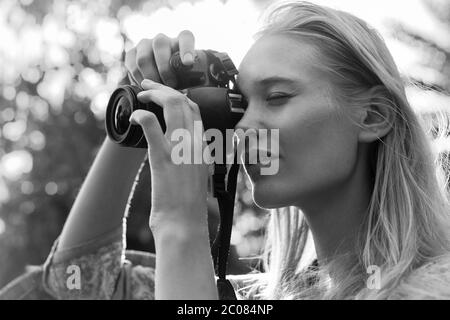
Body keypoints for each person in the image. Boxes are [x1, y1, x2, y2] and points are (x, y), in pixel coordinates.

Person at [41, 1, 450, 300]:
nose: (244, 127)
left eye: (276, 97)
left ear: (373, 116)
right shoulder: (259, 300)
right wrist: (141, 102)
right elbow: (77, 280)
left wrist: (180, 225)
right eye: (241, 104)